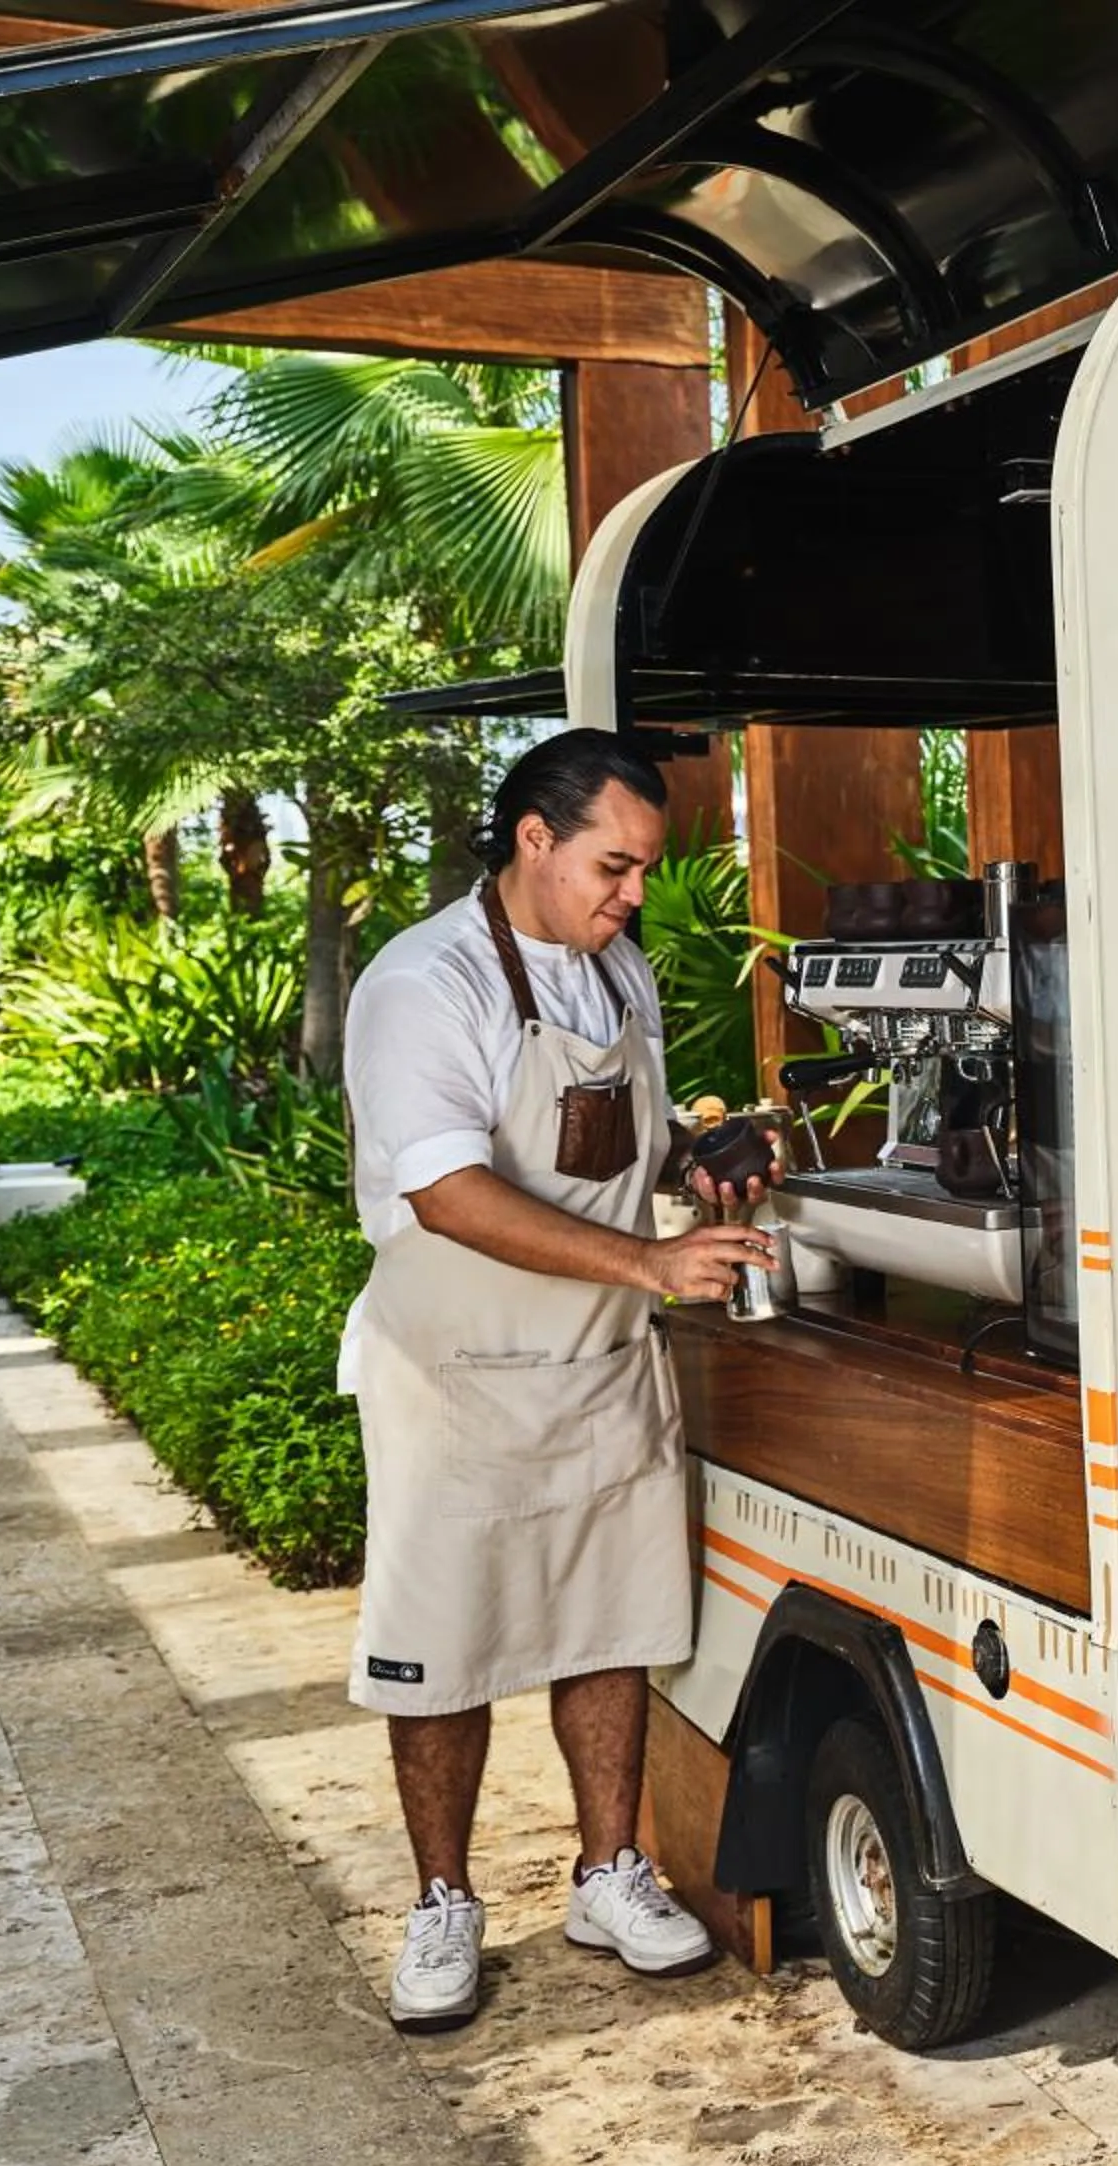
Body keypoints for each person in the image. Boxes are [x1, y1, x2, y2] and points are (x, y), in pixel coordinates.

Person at [339, 729, 780, 2031]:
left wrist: (700, 1168)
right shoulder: (426, 982)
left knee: (610, 1621)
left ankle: (608, 1871)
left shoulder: (619, 973)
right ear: (534, 838)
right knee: (448, 1649)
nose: (635, 893)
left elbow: (614, 1153)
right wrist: (651, 1255)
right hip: (460, 1374)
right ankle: (442, 1903)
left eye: (644, 869)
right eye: (615, 864)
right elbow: (449, 1190)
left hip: (599, 1360)